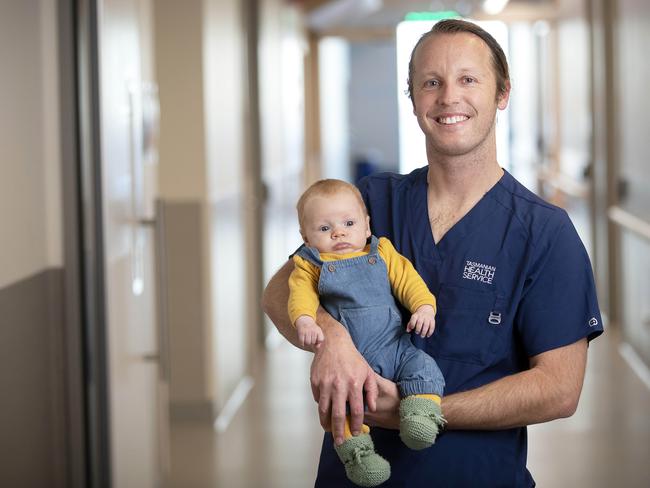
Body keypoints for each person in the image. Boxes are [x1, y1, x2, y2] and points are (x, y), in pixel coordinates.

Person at [262, 18, 604, 487]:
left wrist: (420, 411)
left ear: (502, 93)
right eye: (431, 82)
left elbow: (559, 390)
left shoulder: (544, 231)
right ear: (413, 98)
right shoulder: (370, 203)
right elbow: (280, 290)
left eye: (468, 79)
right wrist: (332, 340)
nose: (448, 98)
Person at [289, 178, 446, 486]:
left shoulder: (382, 251)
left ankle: (420, 413)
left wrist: (425, 308)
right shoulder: (309, 265)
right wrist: (305, 320)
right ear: (305, 237)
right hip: (350, 361)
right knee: (342, 405)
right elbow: (300, 296)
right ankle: (357, 454)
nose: (339, 233)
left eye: (349, 223)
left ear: (366, 225)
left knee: (423, 365)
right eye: (324, 229)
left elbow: (408, 281)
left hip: (394, 344)